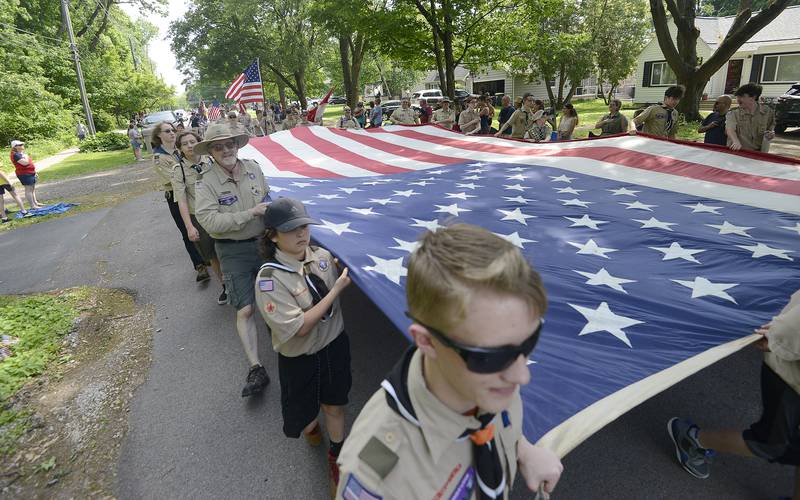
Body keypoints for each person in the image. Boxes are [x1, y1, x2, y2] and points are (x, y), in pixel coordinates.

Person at [336, 224, 564, 499]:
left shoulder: (491, 380)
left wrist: (523, 450)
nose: (521, 376)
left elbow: (498, 423)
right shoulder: (379, 481)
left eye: (529, 343)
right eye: (490, 357)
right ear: (427, 341)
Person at [255, 198, 353, 496]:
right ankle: (311, 427)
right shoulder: (269, 280)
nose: (302, 235)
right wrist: (335, 290)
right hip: (301, 358)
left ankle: (337, 456)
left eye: (304, 227)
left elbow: (346, 273)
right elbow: (299, 327)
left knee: (334, 404)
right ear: (272, 235)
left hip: (334, 346)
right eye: (291, 230)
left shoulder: (322, 256)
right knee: (306, 414)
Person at [667, 289, 800, 497]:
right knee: (771, 443)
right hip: (788, 376)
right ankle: (693, 439)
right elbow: (792, 328)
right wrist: (777, 340)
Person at [194, 123, 271, 397]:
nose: (226, 150)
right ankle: (256, 367)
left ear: (237, 145)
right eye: (218, 146)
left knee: (275, 298)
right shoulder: (205, 182)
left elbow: (267, 196)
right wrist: (249, 214)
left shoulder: (254, 168)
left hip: (264, 244)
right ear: (211, 152)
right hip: (232, 250)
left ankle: (287, 350)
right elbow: (209, 220)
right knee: (245, 309)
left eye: (230, 144)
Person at [171, 130, 226, 303]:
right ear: (180, 148)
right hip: (199, 216)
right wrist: (189, 227)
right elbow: (182, 201)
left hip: (220, 211)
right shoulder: (178, 169)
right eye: (185, 143)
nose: (189, 146)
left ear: (199, 143)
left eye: (192, 141)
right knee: (211, 253)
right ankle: (225, 286)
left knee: (227, 247)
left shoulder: (211, 160)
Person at [151, 121, 208, 282]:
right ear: (159, 136)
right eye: (167, 131)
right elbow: (175, 178)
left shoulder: (179, 150)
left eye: (173, 130)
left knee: (202, 225)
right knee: (187, 230)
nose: (171, 133)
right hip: (176, 197)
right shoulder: (158, 157)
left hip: (193, 192)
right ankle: (199, 265)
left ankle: (208, 255)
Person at [726, 83, 776, 152]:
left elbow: (771, 127)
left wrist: (771, 133)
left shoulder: (768, 112)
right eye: (737, 97)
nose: (738, 100)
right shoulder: (733, 113)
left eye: (742, 96)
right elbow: (730, 129)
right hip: (738, 152)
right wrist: (735, 141)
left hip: (758, 154)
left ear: (753, 97)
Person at [9, 140, 42, 209]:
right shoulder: (15, 155)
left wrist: (34, 172)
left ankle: (35, 203)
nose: (22, 145)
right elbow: (25, 163)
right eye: (20, 145)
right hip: (24, 174)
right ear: (15, 147)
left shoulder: (20, 154)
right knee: (28, 189)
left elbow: (29, 164)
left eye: (22, 144)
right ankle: (32, 206)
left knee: (32, 188)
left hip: (30, 172)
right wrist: (25, 156)